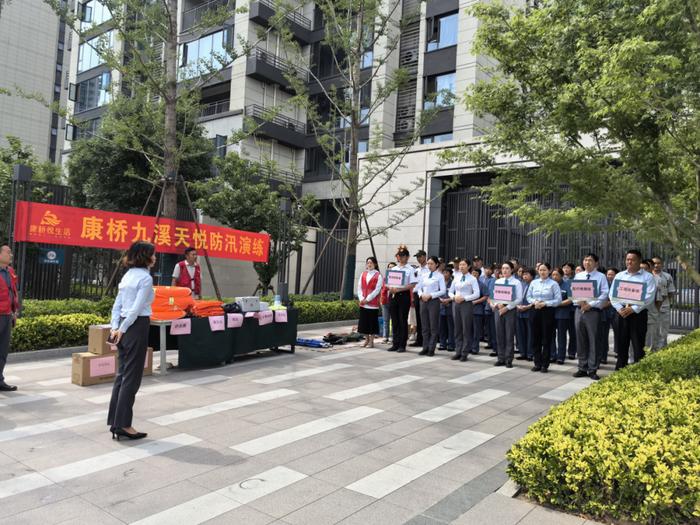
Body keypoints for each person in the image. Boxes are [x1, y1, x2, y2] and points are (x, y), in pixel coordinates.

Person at [108, 241, 156, 441]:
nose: (155, 257)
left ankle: (115, 422)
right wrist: (124, 328)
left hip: (123, 327)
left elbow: (117, 305)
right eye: (153, 254)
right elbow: (136, 309)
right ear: (145, 256)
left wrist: (115, 328)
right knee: (132, 377)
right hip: (136, 326)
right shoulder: (145, 278)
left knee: (122, 375)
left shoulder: (127, 276)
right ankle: (124, 425)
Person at [610, 250, 657, 369]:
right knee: (621, 345)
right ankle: (620, 369)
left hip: (638, 315)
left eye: (632, 259)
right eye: (627, 259)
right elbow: (612, 295)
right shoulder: (620, 275)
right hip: (621, 314)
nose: (629, 262)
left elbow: (649, 296)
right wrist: (620, 308)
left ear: (639, 261)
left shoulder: (648, 277)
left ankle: (638, 370)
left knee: (638, 345)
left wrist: (634, 309)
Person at [572, 253, 609, 381]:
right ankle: (582, 367)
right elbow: (574, 291)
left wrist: (590, 304)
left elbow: (604, 293)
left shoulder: (601, 277)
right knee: (580, 339)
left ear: (596, 263)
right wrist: (580, 302)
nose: (587, 262)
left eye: (590, 260)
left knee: (593, 340)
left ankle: (592, 368)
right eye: (585, 260)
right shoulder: (578, 275)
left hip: (593, 311)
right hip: (579, 310)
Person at [526, 263, 562, 373]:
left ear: (549, 271)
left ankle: (545, 365)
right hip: (535, 311)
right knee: (535, 338)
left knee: (546, 339)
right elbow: (528, 296)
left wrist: (545, 303)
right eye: (540, 270)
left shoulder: (553, 284)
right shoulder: (534, 282)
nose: (542, 272)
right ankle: (537, 363)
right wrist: (535, 302)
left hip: (547, 312)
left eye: (544, 270)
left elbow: (558, 300)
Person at [489, 261, 523, 367]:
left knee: (509, 335)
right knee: (499, 334)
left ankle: (509, 359)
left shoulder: (516, 282)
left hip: (510, 311)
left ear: (512, 270)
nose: (504, 270)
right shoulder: (498, 281)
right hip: (498, 310)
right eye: (503, 268)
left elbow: (519, 298)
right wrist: (496, 304)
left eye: (507, 268)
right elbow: (493, 296)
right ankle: (501, 358)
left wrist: (507, 307)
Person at [388, 245, 418, 353]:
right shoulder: (394, 268)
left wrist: (399, 290)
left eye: (403, 255)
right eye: (399, 255)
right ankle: (395, 344)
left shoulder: (411, 269)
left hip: (403, 295)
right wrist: (390, 288)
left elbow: (413, 284)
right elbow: (387, 282)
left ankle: (402, 345)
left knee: (402, 320)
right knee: (394, 320)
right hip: (393, 295)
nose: (400, 257)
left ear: (407, 257)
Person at [449, 259, 480, 361]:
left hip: (466, 304)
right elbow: (450, 291)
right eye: (460, 265)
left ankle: (464, 352)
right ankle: (458, 351)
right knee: (457, 328)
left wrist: (465, 298)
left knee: (466, 329)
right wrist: (453, 297)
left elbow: (477, 294)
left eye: (464, 265)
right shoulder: (456, 277)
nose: (461, 266)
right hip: (456, 304)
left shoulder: (472, 279)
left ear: (469, 266)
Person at [415, 256, 446, 356]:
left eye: (431, 263)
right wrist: (421, 294)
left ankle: (431, 348)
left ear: (437, 264)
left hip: (433, 301)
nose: (429, 265)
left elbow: (443, 290)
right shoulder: (424, 275)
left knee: (433, 326)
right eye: (428, 263)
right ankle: (425, 347)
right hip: (423, 301)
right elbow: (418, 287)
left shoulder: (440, 276)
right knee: (424, 326)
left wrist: (431, 295)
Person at [0, 244, 19, 392]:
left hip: (7, 316)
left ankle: (0, 380)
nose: (10, 255)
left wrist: (15, 311)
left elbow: (13, 293)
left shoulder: (10, 271)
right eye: (8, 253)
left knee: (3, 351)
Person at [357, 257, 384, 348]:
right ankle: (366, 339)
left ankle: (371, 342)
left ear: (375, 264)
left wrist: (367, 299)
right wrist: (361, 298)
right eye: (368, 262)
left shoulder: (378, 275)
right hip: (363, 303)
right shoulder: (363, 274)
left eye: (371, 262)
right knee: (364, 323)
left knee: (372, 324)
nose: (369, 264)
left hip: (372, 304)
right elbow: (359, 288)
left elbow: (377, 290)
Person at [651, 256, 676, 350]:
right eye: (654, 263)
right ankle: (652, 351)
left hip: (663, 308)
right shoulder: (648, 276)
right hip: (650, 309)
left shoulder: (667, 276)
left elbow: (671, 292)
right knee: (652, 331)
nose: (656, 265)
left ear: (662, 264)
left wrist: (663, 302)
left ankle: (661, 350)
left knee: (663, 331)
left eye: (658, 263)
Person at [551, 267, 575, 365]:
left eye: (556, 275)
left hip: (562, 314)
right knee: (551, 335)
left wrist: (557, 303)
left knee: (561, 336)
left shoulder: (567, 285)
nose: (554, 277)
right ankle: (552, 355)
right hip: (551, 313)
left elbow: (570, 299)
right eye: (553, 275)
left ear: (561, 275)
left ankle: (561, 356)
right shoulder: (550, 285)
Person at [640, 259, 661, 352]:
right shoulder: (634, 280)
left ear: (649, 269)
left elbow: (659, 299)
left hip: (650, 314)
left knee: (650, 340)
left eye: (645, 269)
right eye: (640, 269)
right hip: (636, 314)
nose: (642, 271)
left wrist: (655, 311)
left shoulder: (655, 281)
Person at [515, 268, 535, 361]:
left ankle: (530, 353)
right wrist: (518, 305)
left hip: (530, 312)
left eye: (527, 274)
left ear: (532, 276)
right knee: (521, 333)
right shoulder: (521, 284)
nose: (524, 276)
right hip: (520, 312)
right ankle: (523, 353)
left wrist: (527, 307)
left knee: (530, 334)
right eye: (524, 274)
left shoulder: (535, 285)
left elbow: (536, 299)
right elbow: (516, 296)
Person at [410, 249, 429, 348]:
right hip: (417, 295)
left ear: (424, 256)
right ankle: (419, 340)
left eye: (420, 256)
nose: (418, 259)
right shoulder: (416, 270)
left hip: (427, 296)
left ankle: (427, 340)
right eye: (417, 257)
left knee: (426, 319)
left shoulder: (429, 269)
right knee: (419, 318)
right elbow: (414, 284)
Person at [471, 268, 489, 355]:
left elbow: (485, 296)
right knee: (468, 330)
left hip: (477, 310)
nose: (473, 275)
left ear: (478, 275)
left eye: (475, 274)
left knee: (476, 330)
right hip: (467, 310)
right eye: (472, 273)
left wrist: (476, 301)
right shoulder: (468, 284)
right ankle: (468, 347)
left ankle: (475, 348)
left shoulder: (482, 285)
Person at [604, 267, 620, 358]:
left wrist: (609, 303)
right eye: (608, 274)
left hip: (615, 312)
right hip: (605, 312)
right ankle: (604, 352)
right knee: (604, 333)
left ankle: (618, 351)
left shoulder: (619, 284)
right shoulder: (604, 284)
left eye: (612, 274)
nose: (609, 276)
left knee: (617, 332)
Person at [439, 267, 455, 352]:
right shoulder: (440, 283)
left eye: (446, 272)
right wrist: (441, 300)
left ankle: (451, 344)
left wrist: (448, 300)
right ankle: (442, 344)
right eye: (443, 272)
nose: (445, 274)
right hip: (441, 307)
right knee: (442, 327)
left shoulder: (453, 283)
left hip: (450, 306)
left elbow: (456, 294)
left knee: (451, 327)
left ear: (450, 274)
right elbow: (436, 292)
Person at [380, 262, 396, 343]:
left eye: (392, 267)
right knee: (385, 320)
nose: (391, 269)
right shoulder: (385, 278)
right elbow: (383, 289)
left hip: (393, 301)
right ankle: (385, 336)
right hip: (385, 301)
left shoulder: (397, 278)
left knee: (393, 320)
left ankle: (392, 336)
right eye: (389, 267)